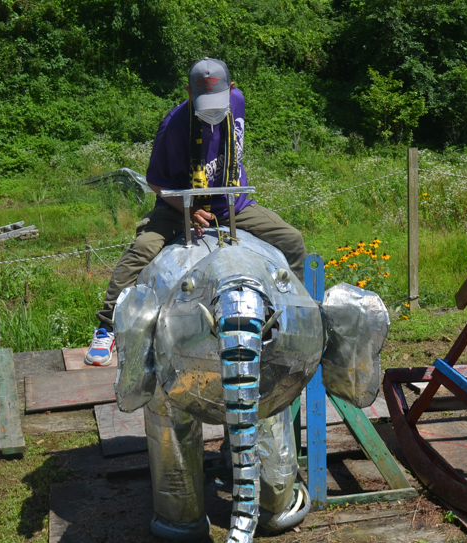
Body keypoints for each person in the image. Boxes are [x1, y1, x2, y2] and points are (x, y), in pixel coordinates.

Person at [85, 58, 307, 366]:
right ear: (189, 94)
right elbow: (155, 181)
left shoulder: (238, 102)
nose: (213, 111)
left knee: (292, 239)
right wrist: (187, 212)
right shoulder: (173, 126)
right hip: (181, 206)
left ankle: (295, 317)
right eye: (204, 104)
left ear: (231, 89)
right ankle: (106, 326)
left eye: (219, 101)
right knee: (141, 249)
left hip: (232, 203)